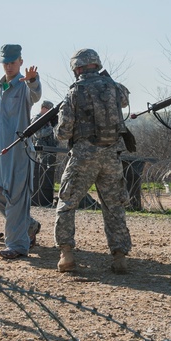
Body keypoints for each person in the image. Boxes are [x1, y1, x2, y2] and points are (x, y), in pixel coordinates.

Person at [53, 49, 133, 274]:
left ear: (77, 68)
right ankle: (119, 256)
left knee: (67, 202)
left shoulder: (74, 92)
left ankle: (66, 253)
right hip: (111, 155)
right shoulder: (114, 87)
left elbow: (63, 132)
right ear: (96, 65)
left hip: (84, 156)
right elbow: (125, 100)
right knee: (114, 205)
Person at [0, 44, 43, 260]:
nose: (9, 66)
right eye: (6, 63)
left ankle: (17, 245)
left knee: (17, 197)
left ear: (20, 61)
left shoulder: (23, 85)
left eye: (12, 62)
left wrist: (33, 81)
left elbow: (35, 95)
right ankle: (28, 225)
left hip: (18, 152)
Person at [31, 100, 59, 207]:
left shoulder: (49, 121)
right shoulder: (37, 119)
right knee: (40, 175)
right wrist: (51, 128)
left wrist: (55, 125)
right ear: (44, 108)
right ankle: (38, 200)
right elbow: (38, 134)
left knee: (49, 176)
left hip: (51, 150)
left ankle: (47, 200)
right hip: (41, 151)